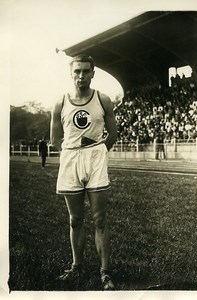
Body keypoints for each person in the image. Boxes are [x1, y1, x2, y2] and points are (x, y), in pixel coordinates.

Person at [50, 54, 117, 290]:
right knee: (75, 219)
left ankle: (105, 272)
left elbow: (113, 134)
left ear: (92, 73)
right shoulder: (60, 102)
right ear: (71, 73)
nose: (81, 76)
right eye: (77, 71)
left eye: (85, 71)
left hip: (95, 158)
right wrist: (72, 154)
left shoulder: (103, 99)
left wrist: (97, 152)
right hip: (70, 158)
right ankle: (76, 266)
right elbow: (55, 138)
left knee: (100, 219)